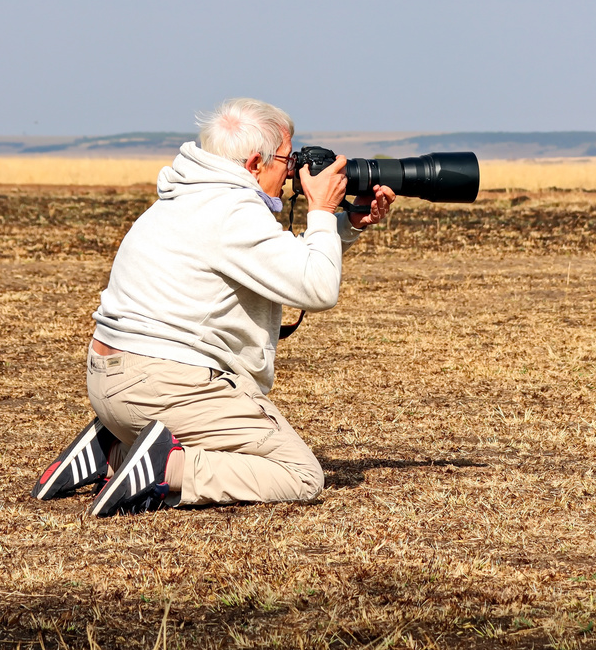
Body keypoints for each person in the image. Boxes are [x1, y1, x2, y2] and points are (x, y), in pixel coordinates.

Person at [30, 97, 394, 517]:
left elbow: (280, 266)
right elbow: (317, 289)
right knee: (300, 473)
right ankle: (160, 466)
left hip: (111, 385)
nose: (292, 169)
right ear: (256, 162)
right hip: (160, 386)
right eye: (286, 158)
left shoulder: (188, 197)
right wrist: (322, 210)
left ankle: (113, 446)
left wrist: (343, 226)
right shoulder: (232, 211)